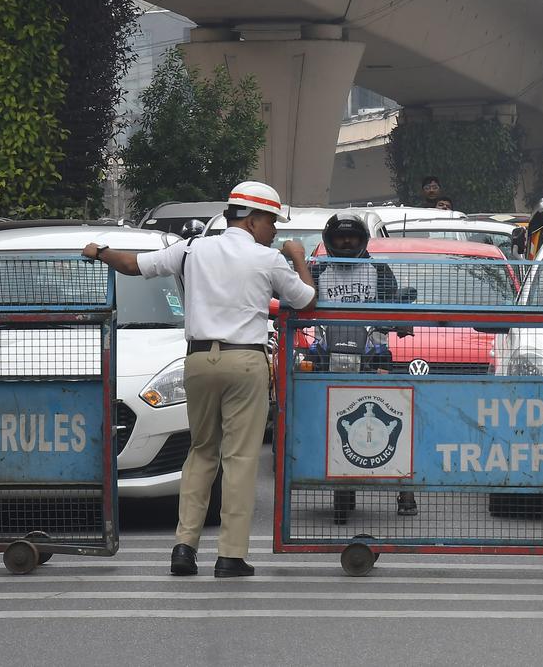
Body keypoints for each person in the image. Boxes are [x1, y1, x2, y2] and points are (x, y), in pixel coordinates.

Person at [82, 181, 316, 578]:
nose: (275, 229)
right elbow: (306, 301)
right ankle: (230, 556)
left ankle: (184, 548)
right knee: (240, 458)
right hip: (245, 361)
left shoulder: (192, 249)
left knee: (202, 451)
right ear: (254, 219)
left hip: (198, 362)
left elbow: (133, 265)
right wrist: (297, 259)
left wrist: (99, 251)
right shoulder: (268, 258)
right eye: (272, 221)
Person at [313, 214, 418, 518]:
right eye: (341, 238)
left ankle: (404, 490)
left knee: (396, 413)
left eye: (353, 238)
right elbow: (299, 301)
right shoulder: (318, 270)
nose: (346, 242)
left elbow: (396, 304)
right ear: (329, 241)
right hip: (326, 352)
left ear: (363, 241)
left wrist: (400, 321)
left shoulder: (379, 271)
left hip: (372, 353)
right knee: (304, 408)